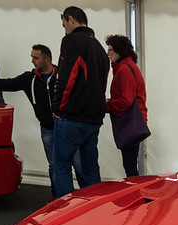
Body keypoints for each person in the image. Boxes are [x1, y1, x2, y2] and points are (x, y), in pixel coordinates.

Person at [0, 44, 83, 193]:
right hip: (47, 129)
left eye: (36, 57)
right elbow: (7, 83)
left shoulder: (64, 75)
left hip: (69, 127)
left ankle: (88, 199)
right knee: (54, 165)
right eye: (32, 57)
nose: (32, 61)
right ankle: (58, 199)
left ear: (47, 59)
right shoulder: (29, 78)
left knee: (79, 164)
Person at [51, 6, 109, 197]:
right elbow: (102, 83)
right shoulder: (100, 48)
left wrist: (57, 107)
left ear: (70, 19)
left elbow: (66, 79)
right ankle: (92, 210)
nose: (64, 29)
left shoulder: (71, 41)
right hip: (94, 118)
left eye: (63, 24)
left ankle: (64, 215)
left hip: (73, 117)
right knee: (90, 167)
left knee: (61, 167)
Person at [105, 34, 148, 176]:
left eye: (110, 49)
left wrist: (107, 105)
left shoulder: (125, 69)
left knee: (129, 166)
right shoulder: (126, 67)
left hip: (130, 123)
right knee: (130, 164)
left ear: (119, 50)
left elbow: (126, 100)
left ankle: (136, 194)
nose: (108, 53)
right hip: (133, 121)